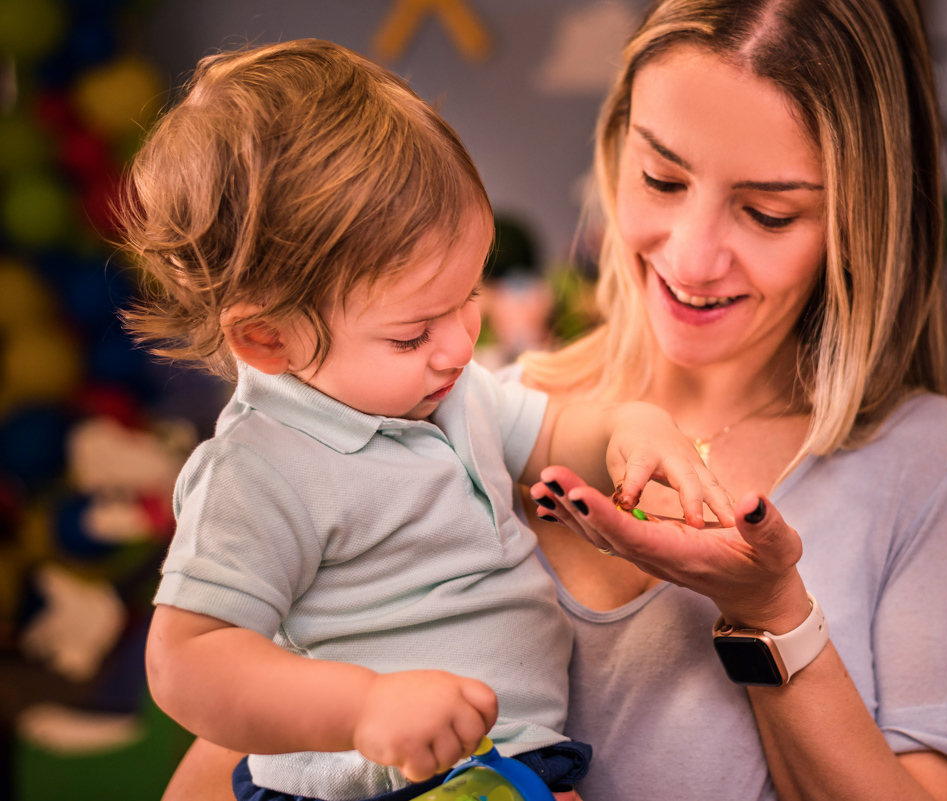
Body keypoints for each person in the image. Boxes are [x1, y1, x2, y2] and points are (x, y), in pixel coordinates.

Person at [164, 1, 947, 799]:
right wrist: (358, 706)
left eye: (768, 213)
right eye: (661, 179)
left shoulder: (936, 466)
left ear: (860, 216)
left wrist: (773, 615)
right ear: (616, 146)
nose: (692, 259)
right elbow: (226, 747)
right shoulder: (412, 410)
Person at [123, 40, 734, 801]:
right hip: (369, 782)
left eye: (468, 296)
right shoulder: (260, 469)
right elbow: (186, 660)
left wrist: (627, 429)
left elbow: (551, 435)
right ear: (268, 338)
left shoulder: (449, 390)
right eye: (412, 332)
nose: (458, 342)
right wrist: (363, 707)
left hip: (503, 764)